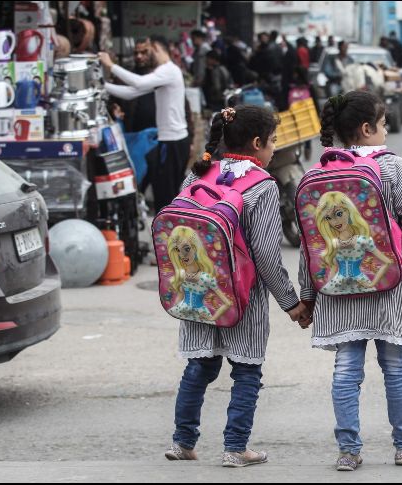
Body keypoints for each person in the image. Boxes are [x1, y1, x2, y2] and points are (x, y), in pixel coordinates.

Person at [164, 105, 310, 467]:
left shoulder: (195, 175)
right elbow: (265, 254)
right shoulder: (261, 186)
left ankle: (183, 443)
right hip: (242, 299)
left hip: (197, 292)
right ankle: (235, 447)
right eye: (273, 141)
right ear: (257, 143)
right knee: (246, 370)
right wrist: (291, 303)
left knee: (198, 367)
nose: (275, 148)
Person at [301, 91, 402, 471]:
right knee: (395, 367)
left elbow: (311, 244)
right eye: (384, 123)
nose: (387, 130)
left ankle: (348, 451)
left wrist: (308, 294)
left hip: (339, 290)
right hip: (389, 283)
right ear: (366, 128)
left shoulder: (319, 173)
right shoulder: (391, 167)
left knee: (346, 370)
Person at [101, 36, 189, 212]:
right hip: (170, 141)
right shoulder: (164, 73)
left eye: (148, 51)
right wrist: (103, 86)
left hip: (172, 142)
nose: (145, 57)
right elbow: (132, 92)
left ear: (156, 48)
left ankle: (169, 235)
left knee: (166, 197)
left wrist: (111, 65)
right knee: (163, 194)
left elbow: (138, 83)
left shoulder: (168, 70)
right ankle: (167, 233)